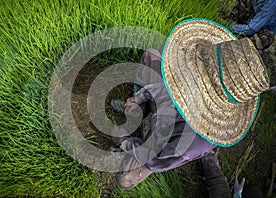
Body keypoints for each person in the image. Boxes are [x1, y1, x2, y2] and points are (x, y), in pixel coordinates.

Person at [111, 18, 270, 198]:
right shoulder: (192, 73)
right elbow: (166, 88)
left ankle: (144, 124)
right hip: (163, 114)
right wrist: (138, 98)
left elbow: (153, 157)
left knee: (124, 180)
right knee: (150, 56)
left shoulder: (191, 145)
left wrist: (123, 140)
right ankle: (142, 113)